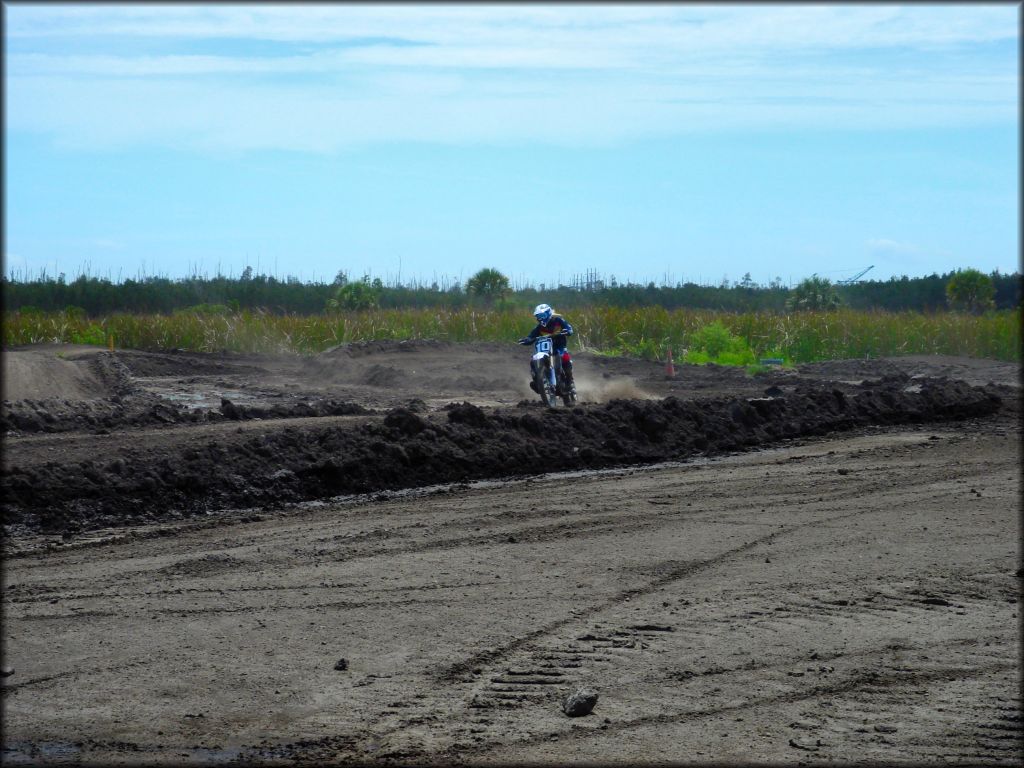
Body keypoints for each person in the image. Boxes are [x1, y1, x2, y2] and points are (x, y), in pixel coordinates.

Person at [519, 303, 575, 393]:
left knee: (565, 358)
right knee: (533, 361)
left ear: (548, 313)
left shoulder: (558, 320)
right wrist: (526, 340)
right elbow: (531, 336)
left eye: (542, 315)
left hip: (559, 346)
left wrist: (567, 331)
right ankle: (538, 382)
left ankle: (569, 383)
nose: (541, 318)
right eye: (538, 316)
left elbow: (568, 327)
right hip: (545, 349)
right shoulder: (539, 327)